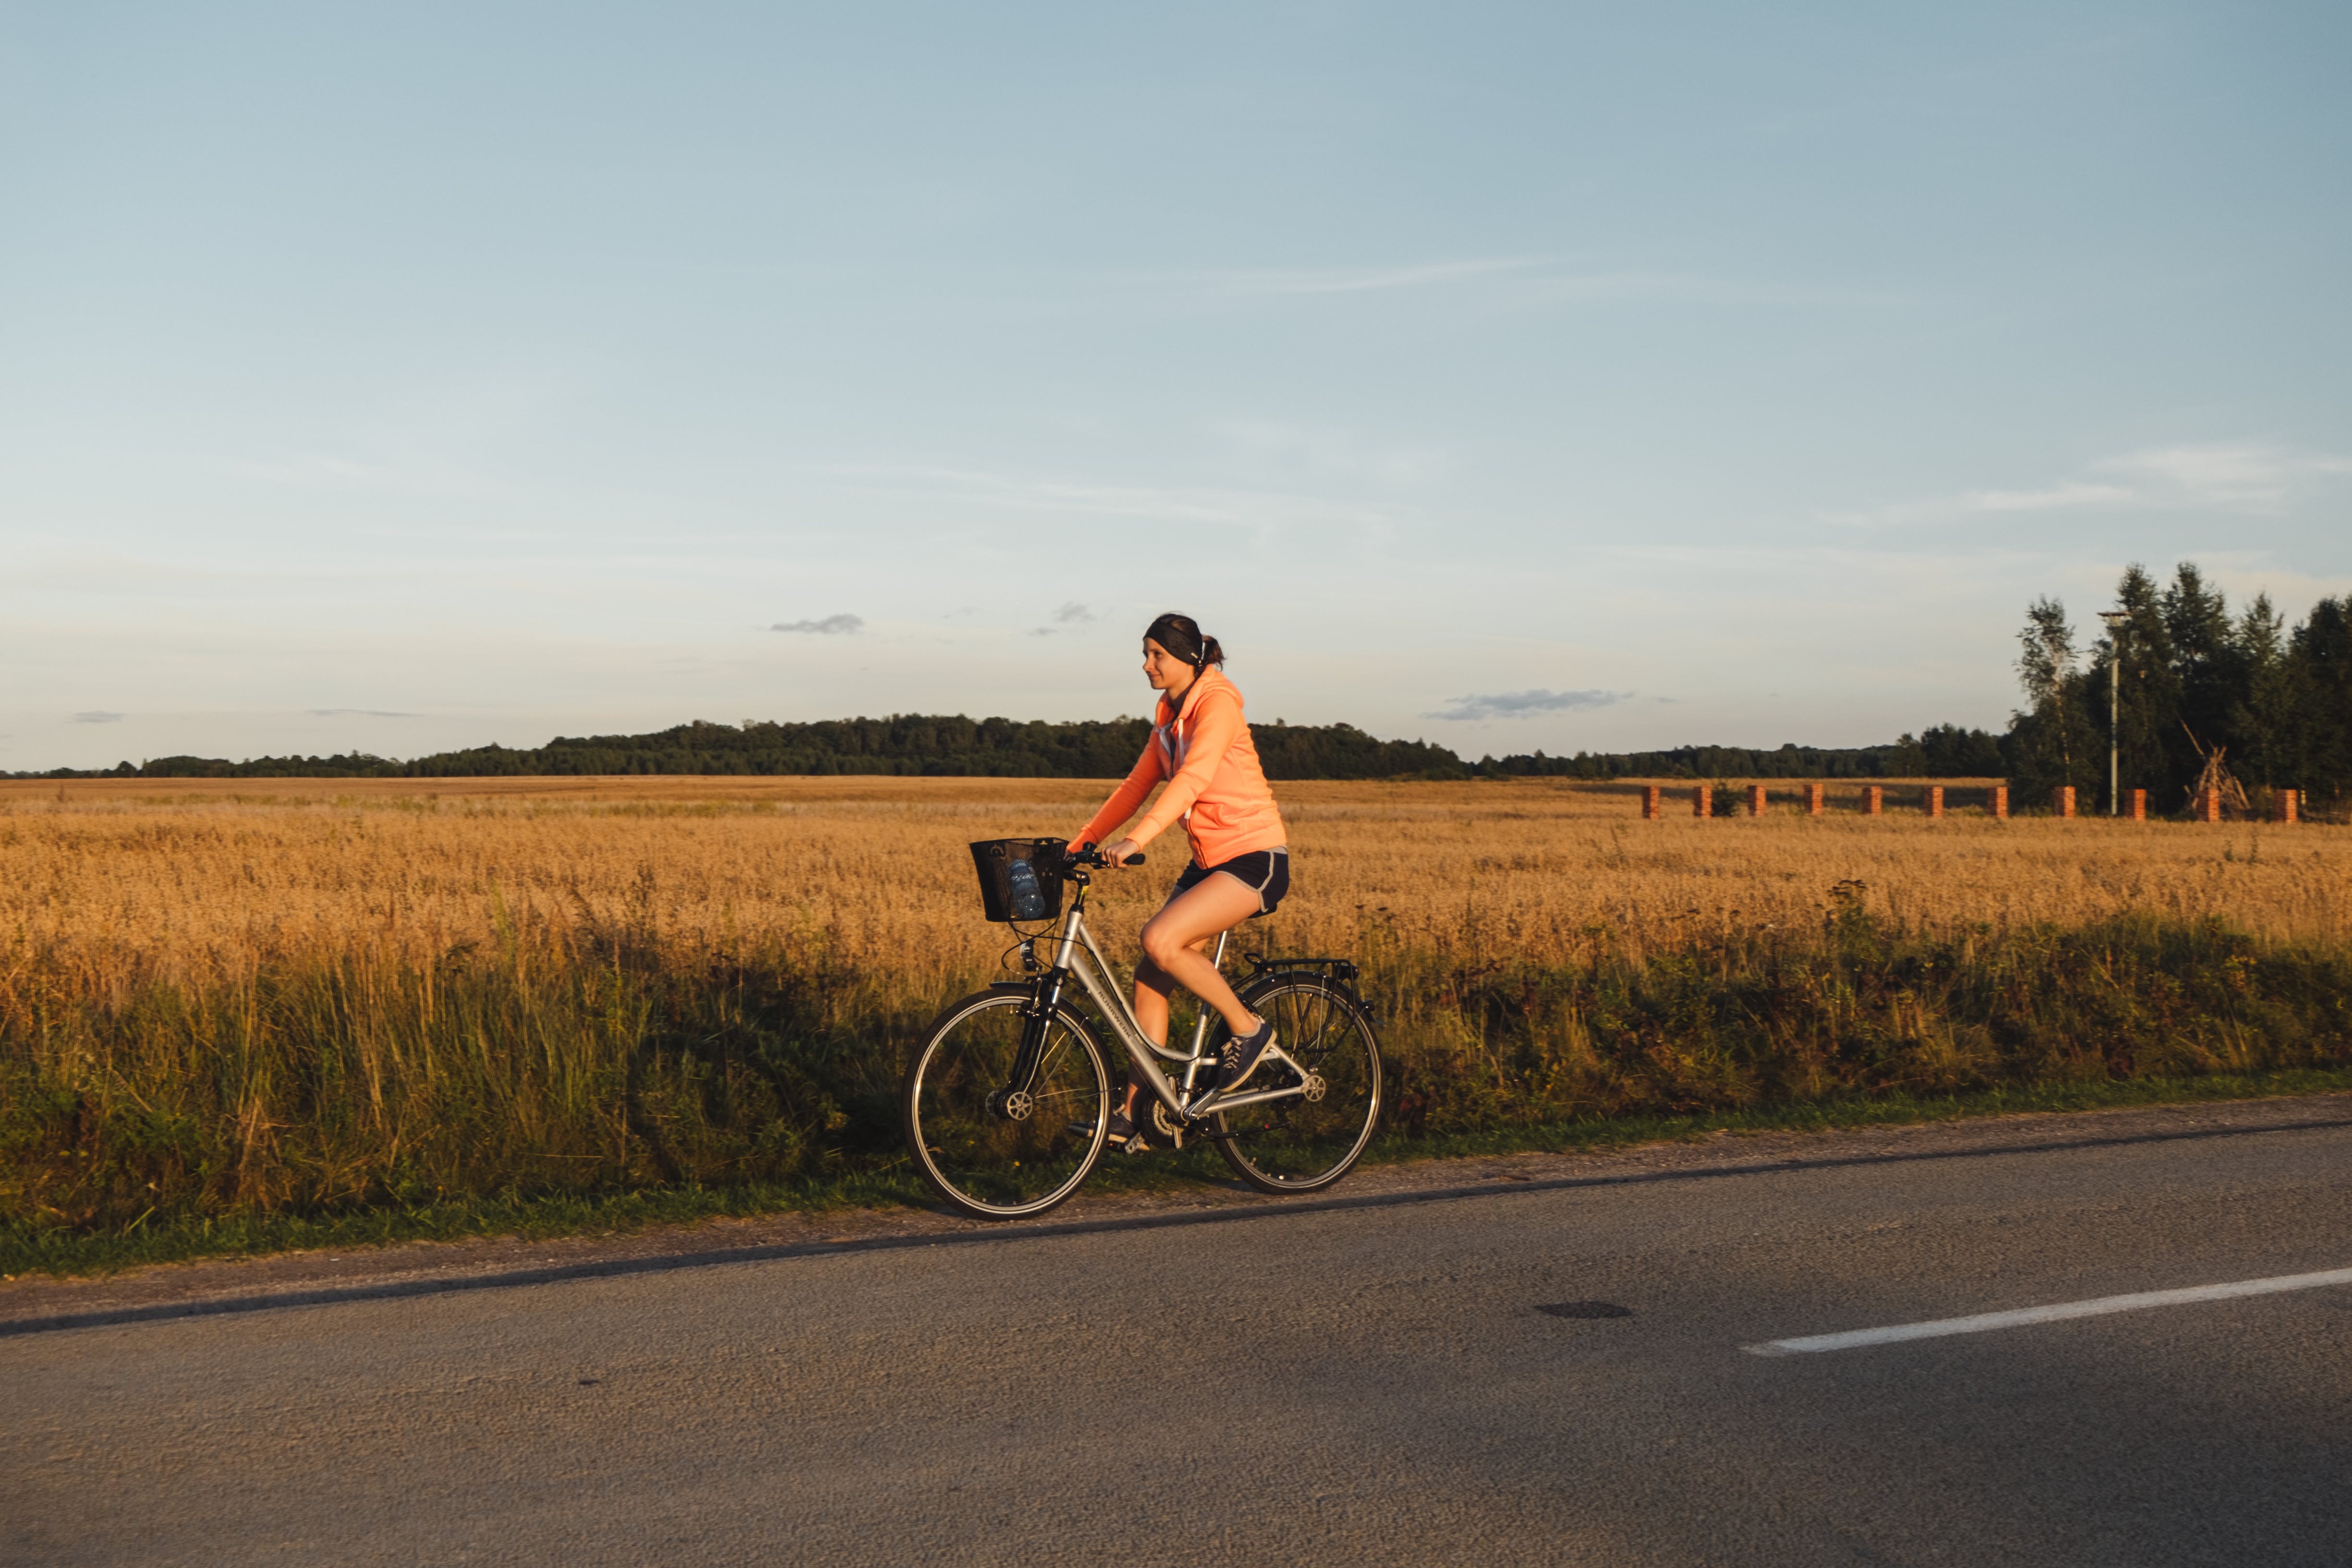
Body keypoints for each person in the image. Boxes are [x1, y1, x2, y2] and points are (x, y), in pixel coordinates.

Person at [1068, 612, 1290, 1152]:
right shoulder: (1169, 715)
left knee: (1160, 940)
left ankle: (1248, 1030)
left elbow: (1192, 779)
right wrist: (1082, 841)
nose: (1147, 666)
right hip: (1209, 861)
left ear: (1189, 659)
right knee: (1151, 974)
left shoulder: (1216, 705)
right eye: (1145, 655)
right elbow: (1137, 783)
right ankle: (1135, 1113)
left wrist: (1138, 841)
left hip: (1253, 858)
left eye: (1156, 656)